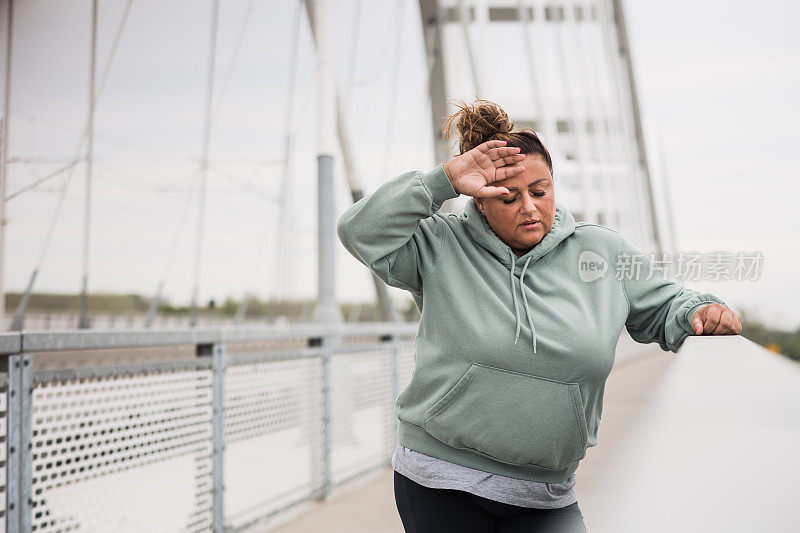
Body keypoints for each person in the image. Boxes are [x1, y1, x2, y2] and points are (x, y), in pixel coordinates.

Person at [336, 99, 741, 532]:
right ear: (482, 202)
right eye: (509, 197)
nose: (529, 208)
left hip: (546, 493)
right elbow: (359, 231)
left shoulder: (600, 252)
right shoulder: (440, 246)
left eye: (540, 192)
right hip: (440, 478)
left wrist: (700, 311)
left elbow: (666, 306)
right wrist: (445, 180)